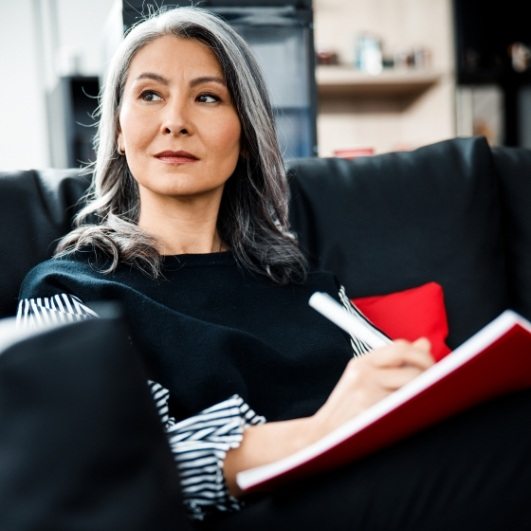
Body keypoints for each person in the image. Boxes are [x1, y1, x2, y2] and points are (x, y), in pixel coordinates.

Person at [17, 6, 531, 530]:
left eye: (208, 97)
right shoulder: (70, 291)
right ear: (120, 132)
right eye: (150, 95)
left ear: (244, 136)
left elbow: (405, 404)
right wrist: (322, 428)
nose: (175, 120)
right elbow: (109, 469)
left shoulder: (309, 290)